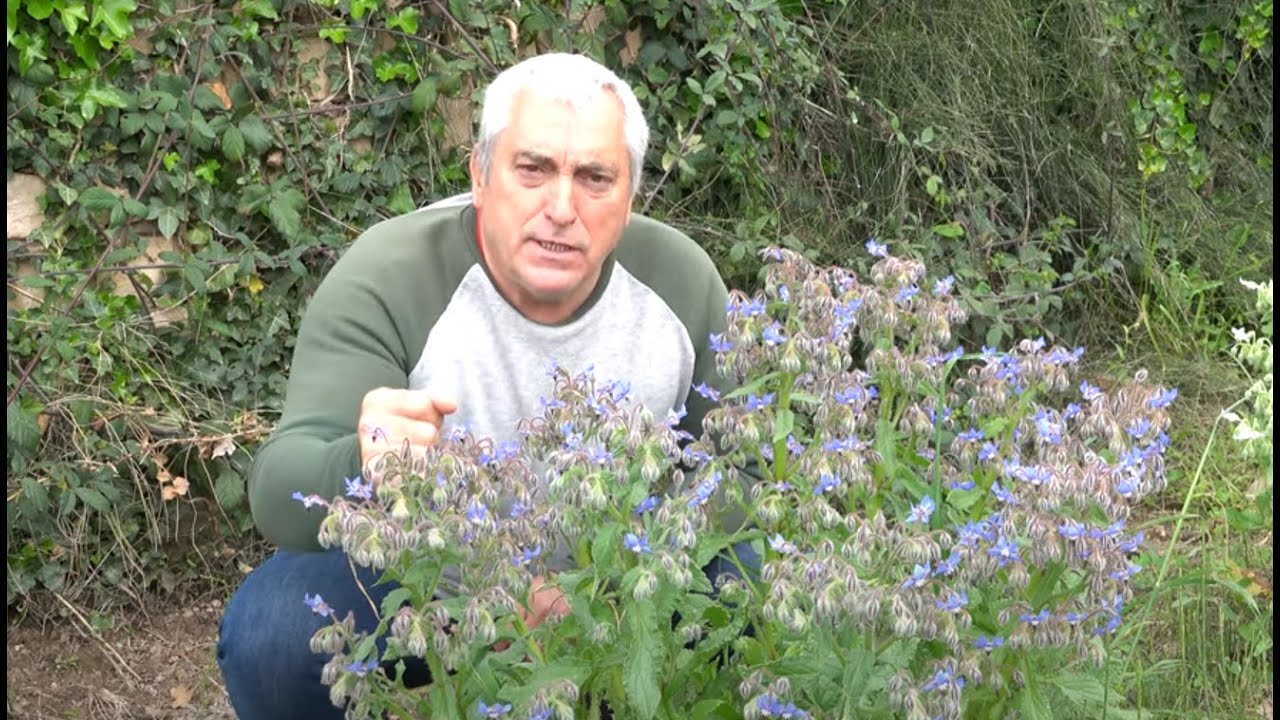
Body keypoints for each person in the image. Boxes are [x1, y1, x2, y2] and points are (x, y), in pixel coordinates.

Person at [216, 52, 752, 719]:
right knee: (276, 631)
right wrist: (366, 463)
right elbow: (276, 492)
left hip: (626, 586)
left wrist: (611, 590)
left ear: (630, 196)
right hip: (433, 583)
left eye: (594, 177)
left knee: (759, 581)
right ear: (480, 174)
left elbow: (745, 482)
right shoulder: (389, 275)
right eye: (533, 169)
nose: (561, 207)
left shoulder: (681, 283)